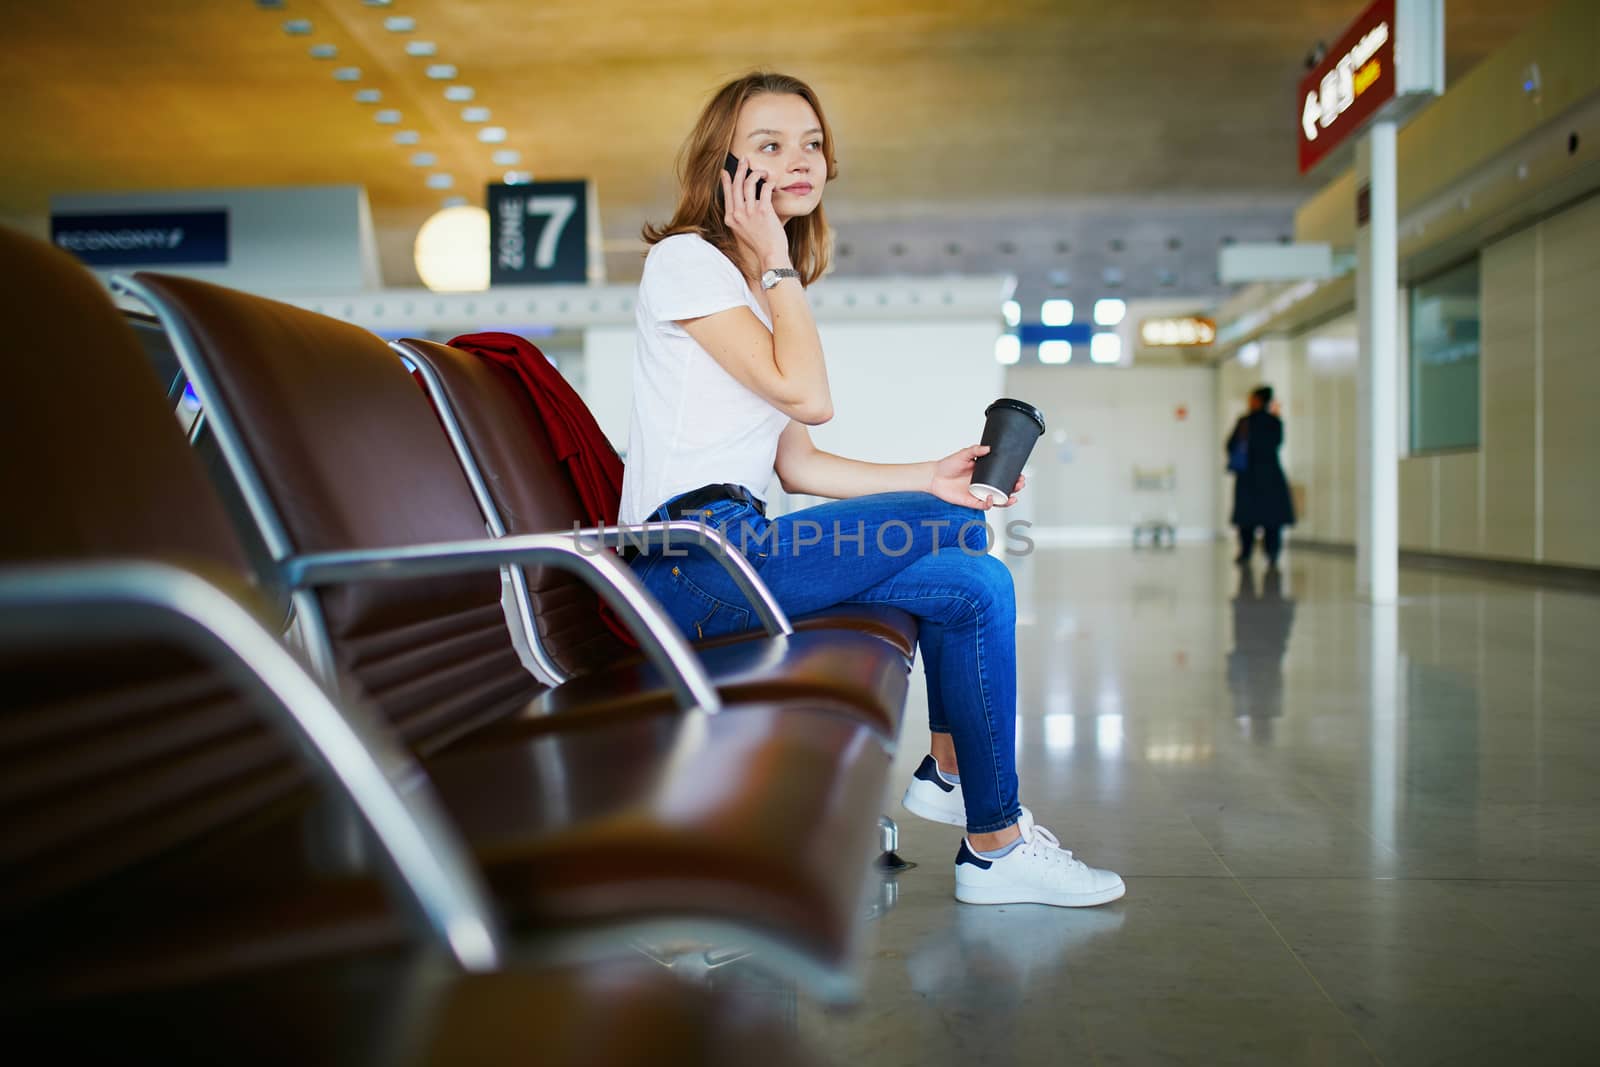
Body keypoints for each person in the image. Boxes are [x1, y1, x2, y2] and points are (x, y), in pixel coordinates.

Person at [617, 72, 1123, 908]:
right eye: (769, 145)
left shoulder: (753, 290)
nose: (799, 160)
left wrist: (929, 476)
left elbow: (800, 463)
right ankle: (952, 774)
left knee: (974, 575)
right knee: (961, 531)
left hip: (739, 547)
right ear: (725, 168)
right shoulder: (687, 264)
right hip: (689, 563)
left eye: (811, 142)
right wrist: (780, 265)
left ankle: (991, 841)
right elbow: (810, 396)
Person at [1226, 385, 1295, 568]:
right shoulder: (1275, 423)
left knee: (1246, 520)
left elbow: (1231, 445)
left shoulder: (1245, 422)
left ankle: (1245, 552)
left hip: (1248, 476)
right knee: (1272, 520)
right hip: (1271, 476)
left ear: (1257, 400)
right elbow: (1277, 444)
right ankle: (1272, 554)